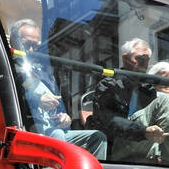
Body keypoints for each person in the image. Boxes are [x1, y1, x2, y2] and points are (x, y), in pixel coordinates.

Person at [8, 19, 108, 160]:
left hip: (53, 131)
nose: (32, 50)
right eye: (27, 45)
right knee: (57, 135)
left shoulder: (45, 72)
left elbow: (59, 106)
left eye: (36, 46)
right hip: (28, 132)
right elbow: (7, 99)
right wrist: (36, 99)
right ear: (14, 41)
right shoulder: (8, 67)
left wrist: (64, 117)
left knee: (97, 137)